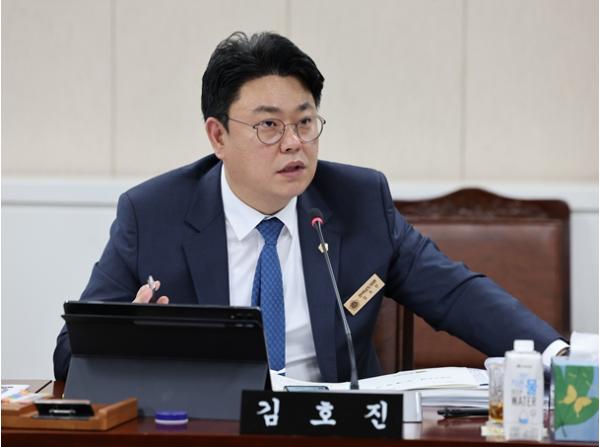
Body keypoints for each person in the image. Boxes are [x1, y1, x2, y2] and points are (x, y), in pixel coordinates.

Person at [53, 31, 567, 382]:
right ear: (218, 135)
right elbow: (67, 357)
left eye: (305, 121)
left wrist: (559, 358)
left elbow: (456, 294)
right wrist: (126, 335)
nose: (294, 143)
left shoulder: (358, 201)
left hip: (330, 430)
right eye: (268, 125)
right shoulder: (153, 215)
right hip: (210, 430)